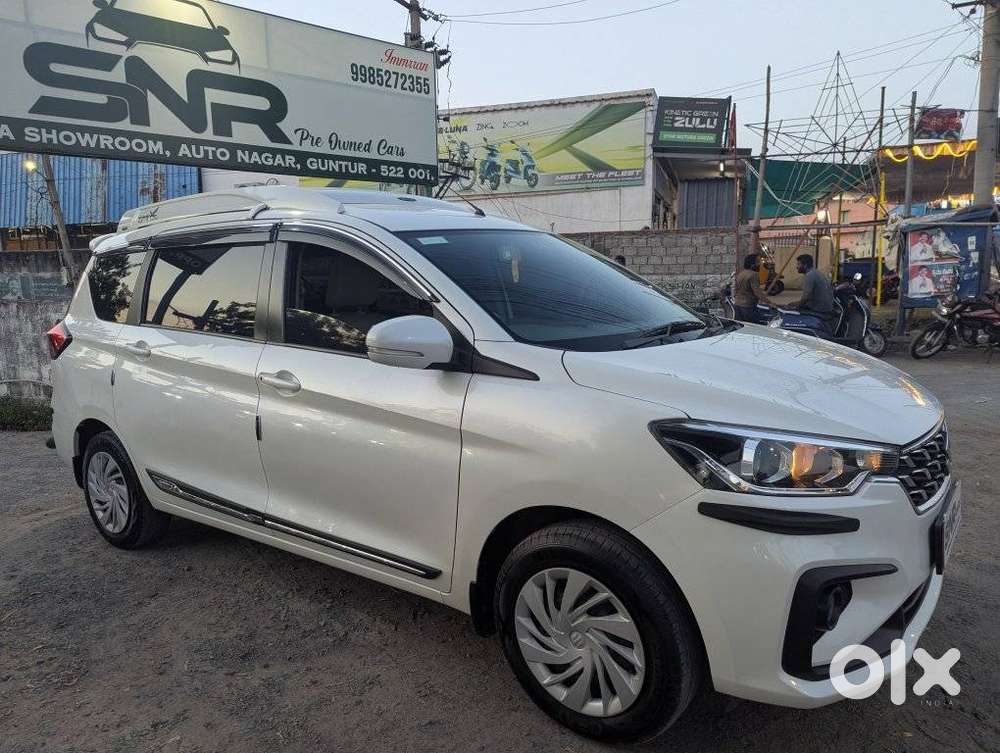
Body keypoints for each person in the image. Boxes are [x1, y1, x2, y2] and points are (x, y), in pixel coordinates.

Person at [732, 253, 773, 321]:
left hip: (737, 305)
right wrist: (769, 303)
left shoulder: (741, 274)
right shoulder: (753, 275)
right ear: (752, 264)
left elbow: (735, 289)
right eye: (758, 262)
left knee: (741, 325)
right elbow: (757, 292)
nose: (760, 264)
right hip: (748, 307)